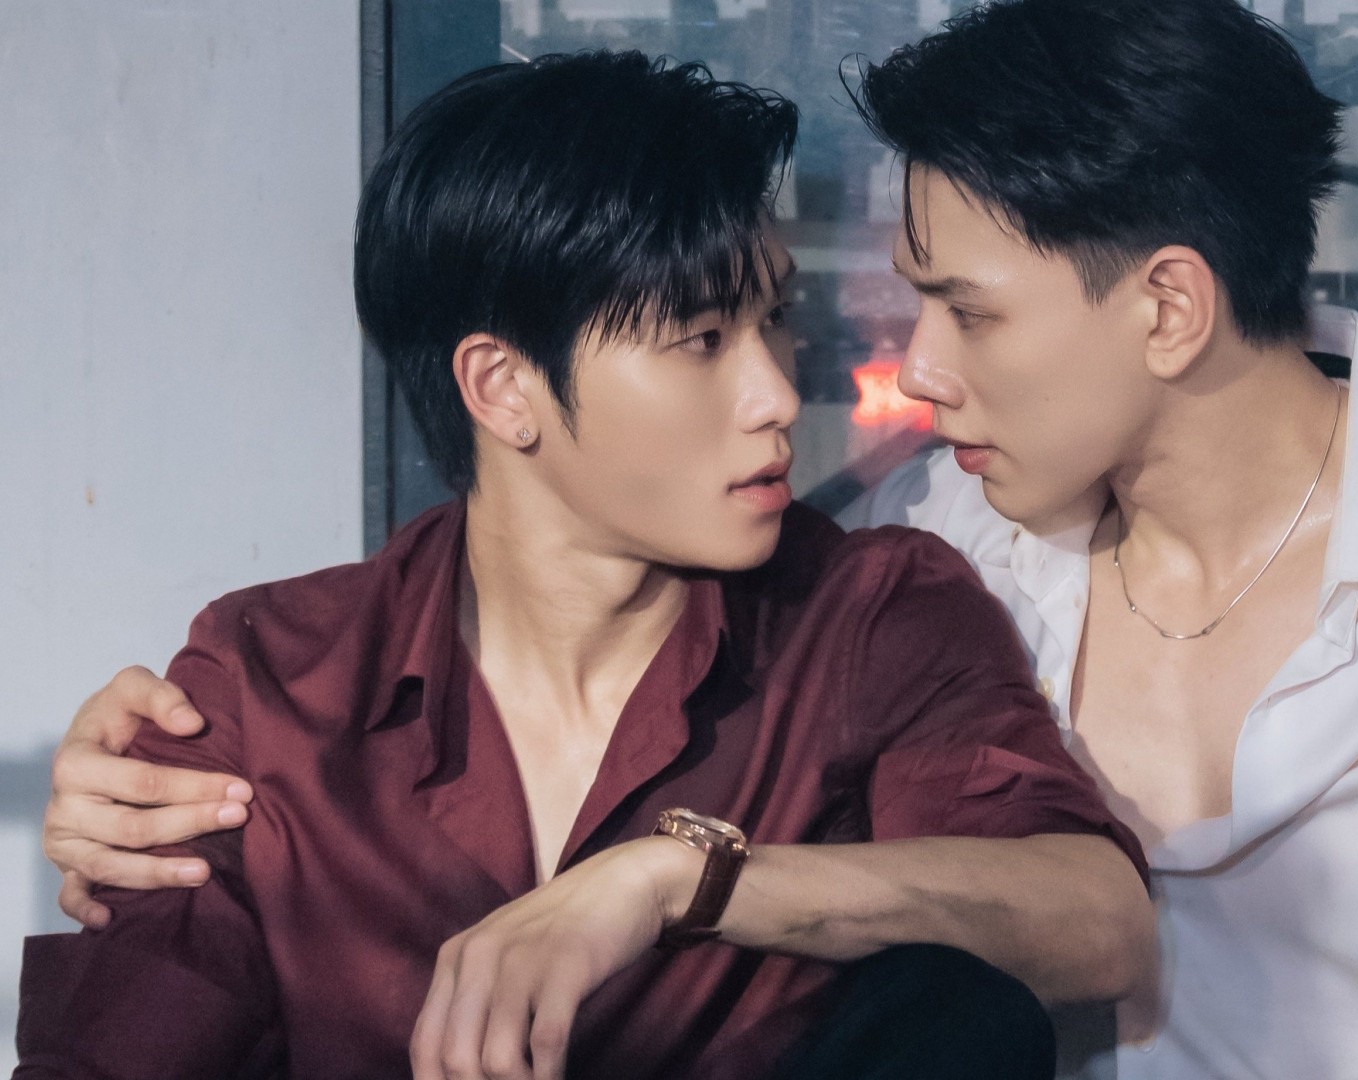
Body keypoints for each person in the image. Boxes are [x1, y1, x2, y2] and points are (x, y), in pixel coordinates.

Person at [37, 1, 1358, 1078]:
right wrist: (143, 781)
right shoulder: (937, 547)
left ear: (1166, 307)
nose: (903, 375)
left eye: (965, 310)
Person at [14, 49, 1154, 1080]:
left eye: (773, 321)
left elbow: (1095, 922)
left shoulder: (867, 617)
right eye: (702, 341)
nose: (773, 395)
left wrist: (679, 880)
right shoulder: (268, 686)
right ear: (503, 388)